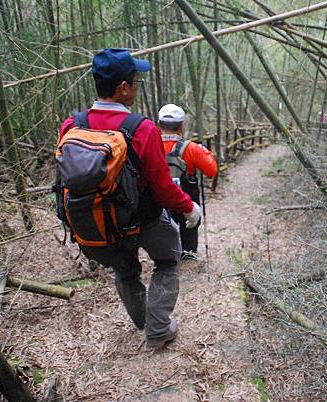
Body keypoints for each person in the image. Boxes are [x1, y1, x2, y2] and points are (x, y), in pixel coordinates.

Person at [59, 48, 202, 348]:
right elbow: (162, 187)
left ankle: (143, 322)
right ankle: (158, 328)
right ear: (123, 87)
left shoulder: (72, 125)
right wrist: (189, 209)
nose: (137, 86)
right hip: (144, 219)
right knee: (167, 260)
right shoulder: (142, 129)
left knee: (125, 271)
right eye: (136, 80)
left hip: (100, 223)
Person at [158, 104, 217, 260]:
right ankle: (188, 256)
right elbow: (212, 171)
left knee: (161, 228)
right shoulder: (191, 148)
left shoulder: (151, 146)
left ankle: (167, 257)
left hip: (159, 199)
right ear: (181, 126)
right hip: (186, 199)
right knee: (190, 225)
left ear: (159, 125)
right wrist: (204, 151)